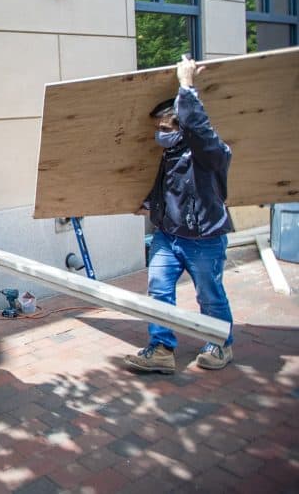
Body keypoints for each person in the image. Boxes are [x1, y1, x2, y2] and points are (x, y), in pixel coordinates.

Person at [125, 55, 235, 374]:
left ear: (182, 126)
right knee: (158, 289)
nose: (160, 133)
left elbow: (199, 129)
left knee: (209, 296)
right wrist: (149, 205)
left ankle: (220, 343)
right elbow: (168, 187)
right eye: (158, 128)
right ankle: (161, 349)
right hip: (168, 235)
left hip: (204, 239)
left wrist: (186, 87)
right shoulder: (170, 154)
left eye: (166, 127)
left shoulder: (211, 153)